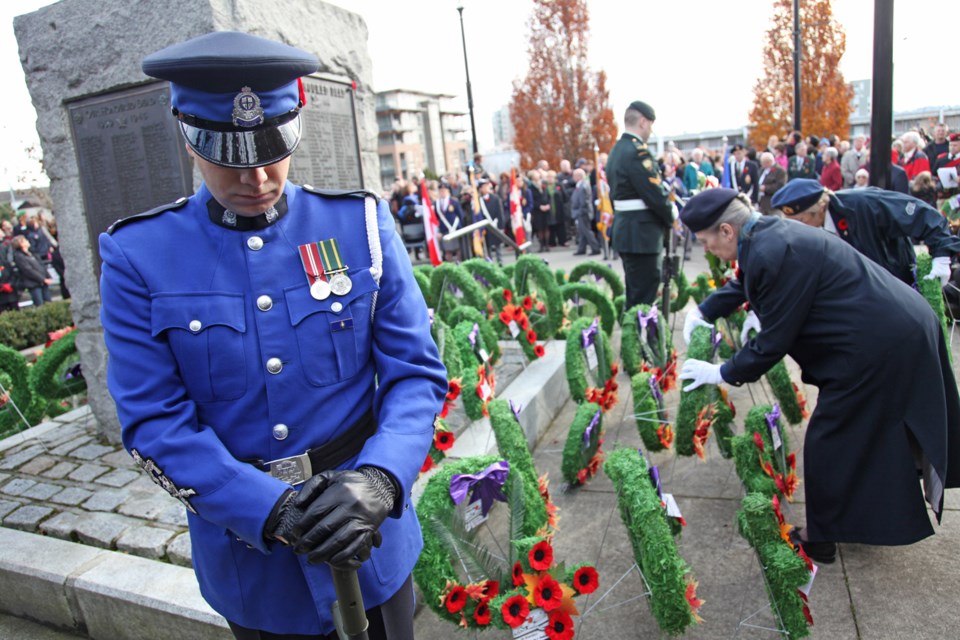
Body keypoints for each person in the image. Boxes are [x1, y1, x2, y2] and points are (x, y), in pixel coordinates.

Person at [98, 31, 446, 640]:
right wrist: (270, 508)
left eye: (271, 147)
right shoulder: (139, 257)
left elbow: (414, 373)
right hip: (253, 562)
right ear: (188, 135)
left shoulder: (358, 226)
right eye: (229, 155)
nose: (257, 176)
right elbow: (153, 423)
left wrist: (382, 478)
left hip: (371, 534)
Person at [678, 188, 960, 564]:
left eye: (705, 241)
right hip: (893, 330)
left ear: (727, 231)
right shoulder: (767, 236)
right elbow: (747, 282)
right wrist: (705, 311)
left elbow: (774, 340)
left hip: (882, 344)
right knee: (866, 434)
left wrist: (722, 372)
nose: (706, 249)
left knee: (831, 439)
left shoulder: (769, 248)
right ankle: (861, 518)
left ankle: (820, 537)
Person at [606, 101, 675, 309]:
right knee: (643, 300)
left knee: (635, 294)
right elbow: (654, 195)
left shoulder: (617, 151)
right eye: (651, 125)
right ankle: (640, 339)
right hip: (642, 235)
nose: (650, 131)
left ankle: (637, 336)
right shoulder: (638, 152)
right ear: (643, 122)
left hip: (628, 231)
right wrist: (671, 214)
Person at [12, 234, 51, 307]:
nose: (27, 241)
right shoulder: (19, 256)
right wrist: (42, 279)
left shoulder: (32, 253)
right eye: (25, 240)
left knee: (48, 302)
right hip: (34, 284)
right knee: (40, 305)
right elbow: (28, 270)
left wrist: (48, 276)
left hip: (43, 282)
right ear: (21, 244)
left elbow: (41, 265)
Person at [570, 168, 601, 256]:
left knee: (586, 231)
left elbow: (584, 201)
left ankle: (595, 248)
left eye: (574, 175)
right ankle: (581, 249)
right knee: (582, 231)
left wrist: (580, 211)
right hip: (580, 212)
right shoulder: (580, 185)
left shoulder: (584, 185)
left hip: (583, 212)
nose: (573, 177)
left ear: (579, 176)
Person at [476, 177, 505, 263]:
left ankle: (500, 263)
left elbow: (500, 212)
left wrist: (500, 225)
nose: (485, 188)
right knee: (487, 247)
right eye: (483, 187)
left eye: (486, 186)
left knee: (498, 246)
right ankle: (490, 263)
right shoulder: (479, 201)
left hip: (495, 224)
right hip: (486, 227)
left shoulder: (495, 198)